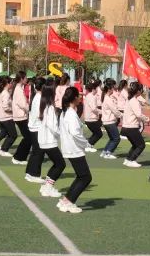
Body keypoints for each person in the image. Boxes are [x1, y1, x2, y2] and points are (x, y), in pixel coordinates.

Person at [54, 86, 93, 214]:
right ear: (75, 98)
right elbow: (75, 133)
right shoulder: (70, 113)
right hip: (74, 149)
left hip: (70, 148)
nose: (80, 98)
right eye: (79, 96)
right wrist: (86, 144)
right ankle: (69, 202)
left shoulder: (65, 112)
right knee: (86, 177)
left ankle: (66, 200)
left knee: (81, 176)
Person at [35, 85, 63, 197]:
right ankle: (48, 187)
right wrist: (62, 135)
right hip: (49, 140)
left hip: (44, 140)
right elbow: (53, 126)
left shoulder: (43, 106)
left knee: (57, 164)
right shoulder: (50, 108)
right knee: (60, 164)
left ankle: (46, 185)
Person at [22, 77, 48, 183]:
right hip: (37, 127)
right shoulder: (39, 97)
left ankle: (29, 172)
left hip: (34, 127)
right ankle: (34, 174)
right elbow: (39, 114)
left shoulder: (36, 96)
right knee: (39, 152)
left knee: (35, 151)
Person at [121, 82, 148, 168]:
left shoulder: (129, 100)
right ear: (138, 91)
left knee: (135, 144)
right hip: (131, 127)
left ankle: (128, 159)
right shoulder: (134, 101)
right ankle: (131, 160)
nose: (142, 91)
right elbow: (138, 114)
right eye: (141, 90)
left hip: (126, 126)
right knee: (141, 145)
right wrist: (147, 119)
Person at [10, 71, 32, 165]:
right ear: (22, 79)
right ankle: (18, 157)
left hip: (20, 116)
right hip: (20, 116)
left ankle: (18, 156)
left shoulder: (18, 88)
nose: (27, 79)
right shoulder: (18, 89)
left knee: (27, 137)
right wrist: (30, 109)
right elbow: (22, 104)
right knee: (28, 138)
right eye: (25, 78)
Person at [99, 80, 122, 160]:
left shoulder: (106, 98)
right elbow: (114, 110)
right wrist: (122, 115)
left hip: (106, 121)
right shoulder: (108, 99)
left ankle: (104, 151)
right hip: (109, 121)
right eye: (112, 88)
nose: (113, 90)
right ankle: (108, 153)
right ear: (109, 89)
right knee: (116, 138)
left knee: (112, 138)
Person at [0, 77, 17, 157]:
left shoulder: (4, 92)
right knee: (13, 135)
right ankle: (4, 150)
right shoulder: (6, 94)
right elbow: (5, 107)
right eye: (11, 83)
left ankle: (3, 149)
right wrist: (13, 110)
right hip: (7, 117)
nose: (12, 84)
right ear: (8, 84)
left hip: (4, 117)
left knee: (10, 134)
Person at [82, 79, 103, 152]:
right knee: (99, 134)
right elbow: (94, 108)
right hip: (91, 118)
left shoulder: (89, 96)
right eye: (97, 88)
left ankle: (88, 144)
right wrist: (102, 112)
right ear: (94, 89)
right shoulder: (92, 96)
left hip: (89, 118)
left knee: (96, 133)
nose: (98, 90)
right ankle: (89, 144)